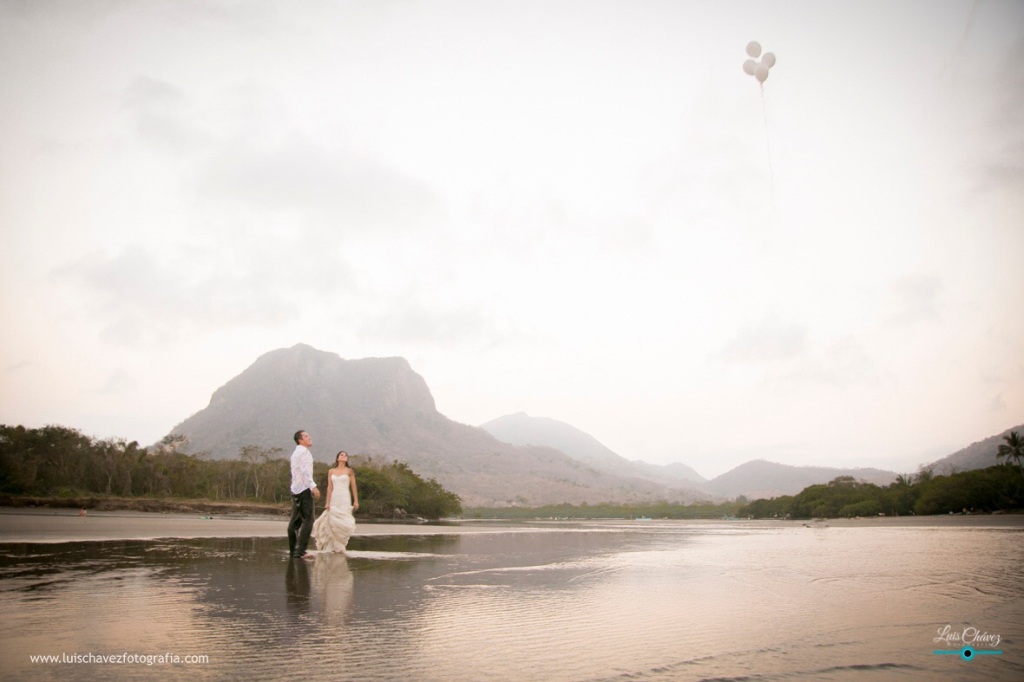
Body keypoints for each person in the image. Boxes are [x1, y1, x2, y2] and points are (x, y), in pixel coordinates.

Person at [311, 450, 359, 553]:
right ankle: (334, 546)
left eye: (346, 455)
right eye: (342, 455)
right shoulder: (331, 471)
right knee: (332, 520)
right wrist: (327, 502)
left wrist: (356, 501)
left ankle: (341, 545)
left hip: (345, 497)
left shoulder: (349, 471)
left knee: (343, 521)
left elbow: (353, 487)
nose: (344, 456)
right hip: (335, 497)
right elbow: (330, 487)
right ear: (337, 458)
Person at [288, 430, 320, 559]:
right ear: (300, 440)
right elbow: (305, 471)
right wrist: (313, 486)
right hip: (304, 489)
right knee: (308, 519)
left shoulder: (296, 453)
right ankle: (300, 551)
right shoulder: (304, 452)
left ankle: (293, 550)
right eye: (306, 436)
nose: (309, 437)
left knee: (295, 521)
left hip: (295, 489)